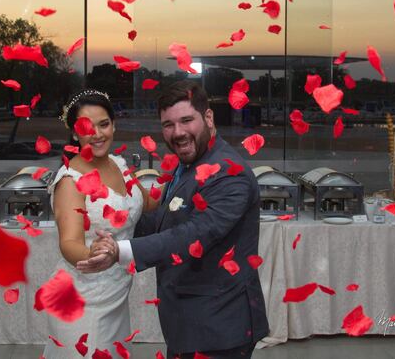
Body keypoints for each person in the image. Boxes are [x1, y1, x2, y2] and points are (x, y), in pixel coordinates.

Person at [77, 80, 270, 359]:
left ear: (208, 118)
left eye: (186, 120)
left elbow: (193, 234)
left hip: (219, 328)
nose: (177, 132)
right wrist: (114, 222)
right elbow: (164, 220)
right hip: (191, 322)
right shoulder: (190, 164)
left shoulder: (230, 172)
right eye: (168, 124)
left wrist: (121, 250)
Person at [42, 89, 160, 358]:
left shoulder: (119, 164)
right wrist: (92, 254)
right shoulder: (70, 180)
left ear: (114, 124)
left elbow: (149, 202)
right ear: (74, 133)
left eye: (104, 124)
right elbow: (69, 242)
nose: (97, 134)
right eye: (87, 127)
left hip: (115, 296)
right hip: (82, 300)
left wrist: (188, 180)